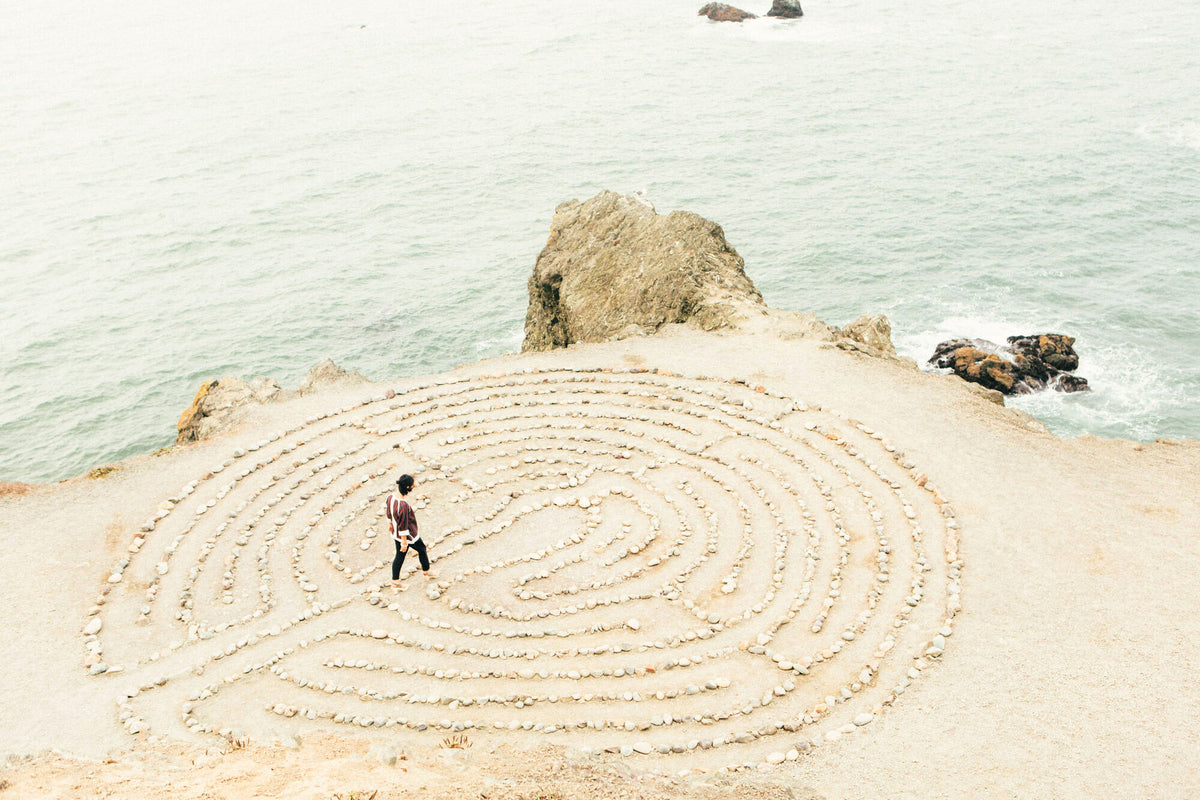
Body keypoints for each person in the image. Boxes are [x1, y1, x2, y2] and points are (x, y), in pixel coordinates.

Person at [384, 474, 436, 592]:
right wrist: (404, 542)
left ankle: (395, 583)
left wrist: (390, 524)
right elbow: (403, 525)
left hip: (395, 533)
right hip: (407, 536)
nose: (414, 486)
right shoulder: (403, 506)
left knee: (399, 557)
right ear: (407, 487)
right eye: (412, 485)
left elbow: (388, 511)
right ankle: (427, 572)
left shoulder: (390, 497)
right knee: (421, 548)